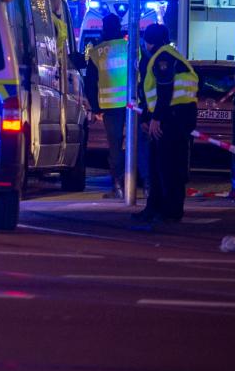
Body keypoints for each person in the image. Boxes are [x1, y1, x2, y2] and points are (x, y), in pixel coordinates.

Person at [133, 23, 198, 224]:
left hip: (171, 118)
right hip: (176, 116)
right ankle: (156, 208)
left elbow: (164, 91)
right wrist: (147, 116)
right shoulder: (171, 55)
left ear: (149, 41)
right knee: (160, 165)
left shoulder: (163, 57)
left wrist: (156, 119)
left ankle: (169, 210)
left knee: (167, 167)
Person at [85, 13, 128, 199]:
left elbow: (90, 83)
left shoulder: (97, 52)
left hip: (110, 107)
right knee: (138, 146)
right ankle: (147, 185)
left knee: (115, 148)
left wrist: (95, 108)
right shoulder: (130, 48)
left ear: (104, 28)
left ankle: (118, 187)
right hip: (134, 105)